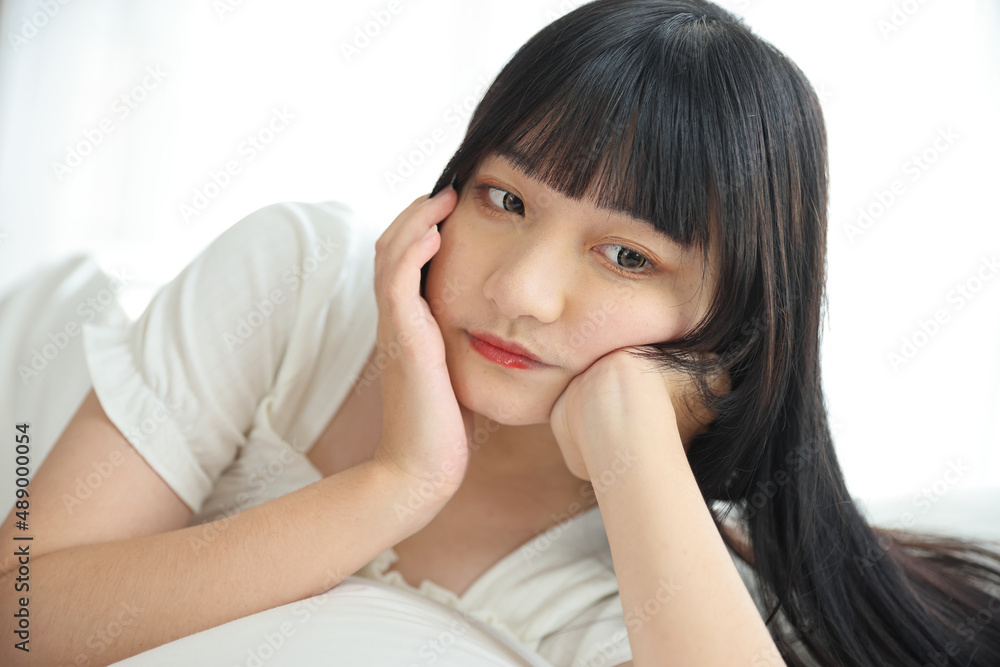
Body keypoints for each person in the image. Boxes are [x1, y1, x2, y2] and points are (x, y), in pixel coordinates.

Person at [2, 0, 999, 665]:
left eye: (627, 258)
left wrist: (631, 441)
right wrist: (397, 484)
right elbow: (20, 614)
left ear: (730, 329)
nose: (521, 290)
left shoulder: (646, 589)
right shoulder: (298, 280)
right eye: (505, 199)